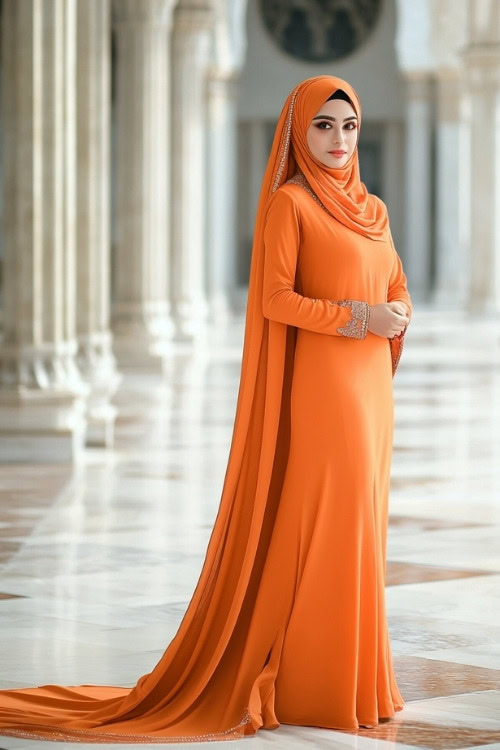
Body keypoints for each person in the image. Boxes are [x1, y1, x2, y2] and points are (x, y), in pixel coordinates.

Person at [0, 74, 411, 744]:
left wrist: (397, 313)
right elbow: (275, 298)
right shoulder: (290, 204)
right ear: (297, 130)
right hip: (325, 390)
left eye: (348, 126)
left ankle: (358, 677)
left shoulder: (375, 209)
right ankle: (313, 683)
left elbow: (395, 280)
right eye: (323, 126)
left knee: (362, 525)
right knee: (324, 526)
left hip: (372, 391)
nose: (338, 140)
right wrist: (356, 317)